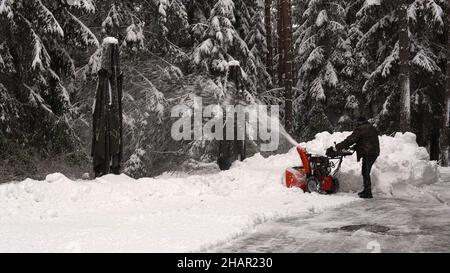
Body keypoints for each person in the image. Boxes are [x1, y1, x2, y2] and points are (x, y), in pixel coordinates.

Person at [334, 116, 380, 198]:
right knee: (365, 171)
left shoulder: (361, 129)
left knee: (365, 171)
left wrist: (338, 147)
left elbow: (350, 140)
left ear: (359, 122)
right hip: (374, 151)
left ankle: (368, 192)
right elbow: (365, 140)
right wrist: (355, 147)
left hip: (368, 152)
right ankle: (367, 190)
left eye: (357, 122)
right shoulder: (370, 127)